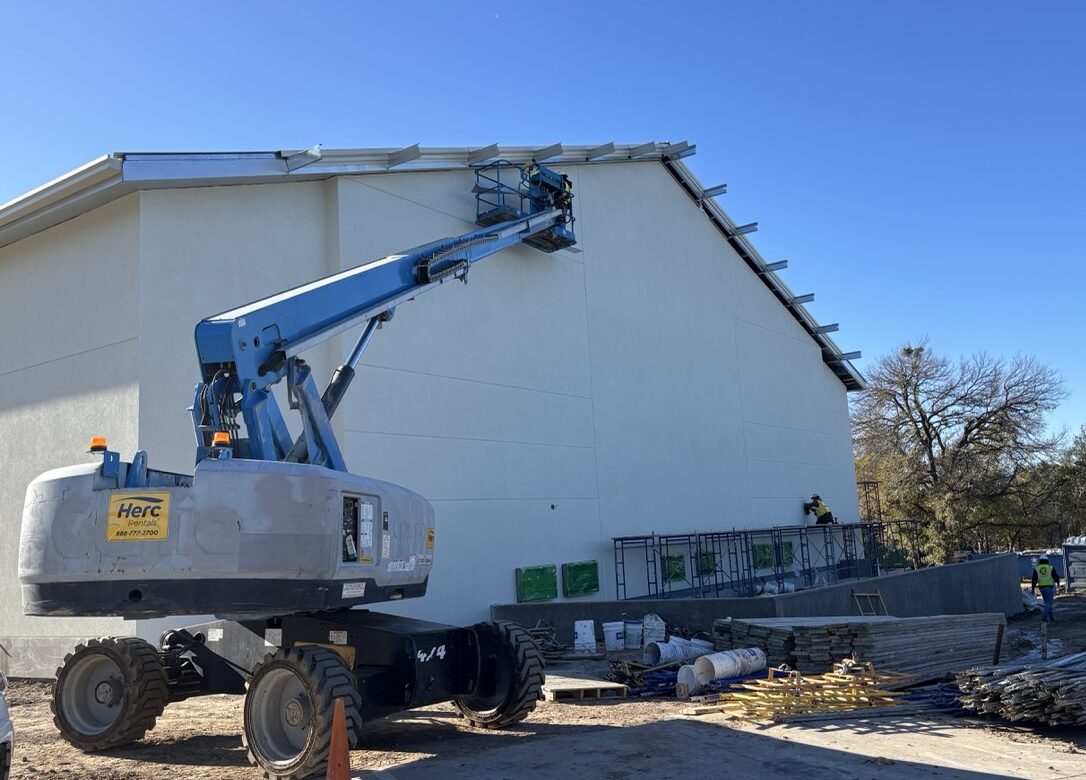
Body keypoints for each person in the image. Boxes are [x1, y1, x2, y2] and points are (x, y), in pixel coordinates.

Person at [1032, 555, 1061, 622]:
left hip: (1042, 588)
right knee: (1049, 603)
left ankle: (1051, 617)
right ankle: (1044, 616)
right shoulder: (1050, 568)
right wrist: (1058, 583)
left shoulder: (1037, 568)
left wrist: (1033, 588)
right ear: (1047, 560)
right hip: (1050, 587)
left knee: (1047, 602)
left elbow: (1034, 579)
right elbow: (1056, 576)